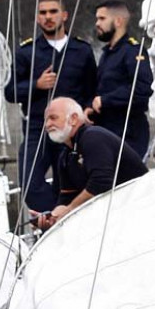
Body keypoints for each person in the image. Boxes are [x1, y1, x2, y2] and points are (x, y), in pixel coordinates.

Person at [4, 0, 97, 213]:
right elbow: (10, 91)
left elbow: (92, 88)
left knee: (72, 184)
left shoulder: (82, 51)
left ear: (64, 15)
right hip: (39, 127)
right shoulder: (27, 52)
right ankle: (55, 218)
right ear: (37, 18)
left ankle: (68, 219)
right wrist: (36, 84)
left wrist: (87, 109)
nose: (48, 17)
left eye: (53, 12)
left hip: (73, 130)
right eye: (43, 13)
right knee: (30, 183)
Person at [35, 97, 148, 229]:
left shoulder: (93, 137)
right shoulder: (66, 156)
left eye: (53, 118)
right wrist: (52, 216)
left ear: (73, 119)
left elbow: (101, 182)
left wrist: (69, 210)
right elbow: (66, 198)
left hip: (140, 210)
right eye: (46, 120)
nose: (47, 125)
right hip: (116, 216)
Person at [88, 0, 154, 158]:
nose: (97, 23)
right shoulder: (107, 54)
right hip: (107, 128)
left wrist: (105, 100)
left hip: (128, 131)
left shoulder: (132, 51)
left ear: (118, 21)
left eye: (102, 18)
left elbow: (143, 88)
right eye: (97, 18)